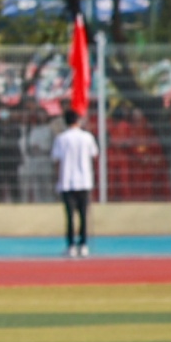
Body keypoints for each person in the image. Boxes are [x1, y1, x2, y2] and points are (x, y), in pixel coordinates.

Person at [53, 106, 98, 254]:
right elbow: (94, 154)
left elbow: (57, 160)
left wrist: (57, 178)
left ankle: (71, 245)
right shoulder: (87, 137)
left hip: (67, 181)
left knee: (70, 215)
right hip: (84, 180)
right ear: (78, 120)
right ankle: (83, 244)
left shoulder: (61, 138)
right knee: (84, 215)